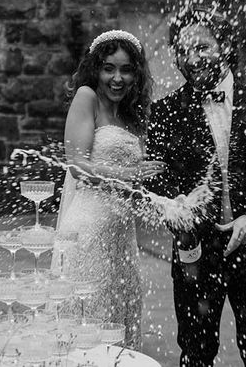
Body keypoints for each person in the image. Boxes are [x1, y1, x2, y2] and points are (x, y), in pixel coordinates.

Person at [147, 5, 246, 367]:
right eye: (184, 51)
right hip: (196, 253)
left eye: (202, 47)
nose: (192, 58)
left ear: (225, 46)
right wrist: (173, 205)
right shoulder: (166, 112)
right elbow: (156, 180)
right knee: (195, 356)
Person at [53, 29, 165, 349]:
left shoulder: (133, 114)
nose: (117, 78)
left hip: (122, 239)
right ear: (95, 69)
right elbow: (76, 164)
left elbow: (133, 182)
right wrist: (130, 173)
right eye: (108, 68)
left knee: (121, 320)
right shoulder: (87, 97)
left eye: (126, 69)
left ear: (137, 73)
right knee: (88, 324)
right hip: (88, 232)